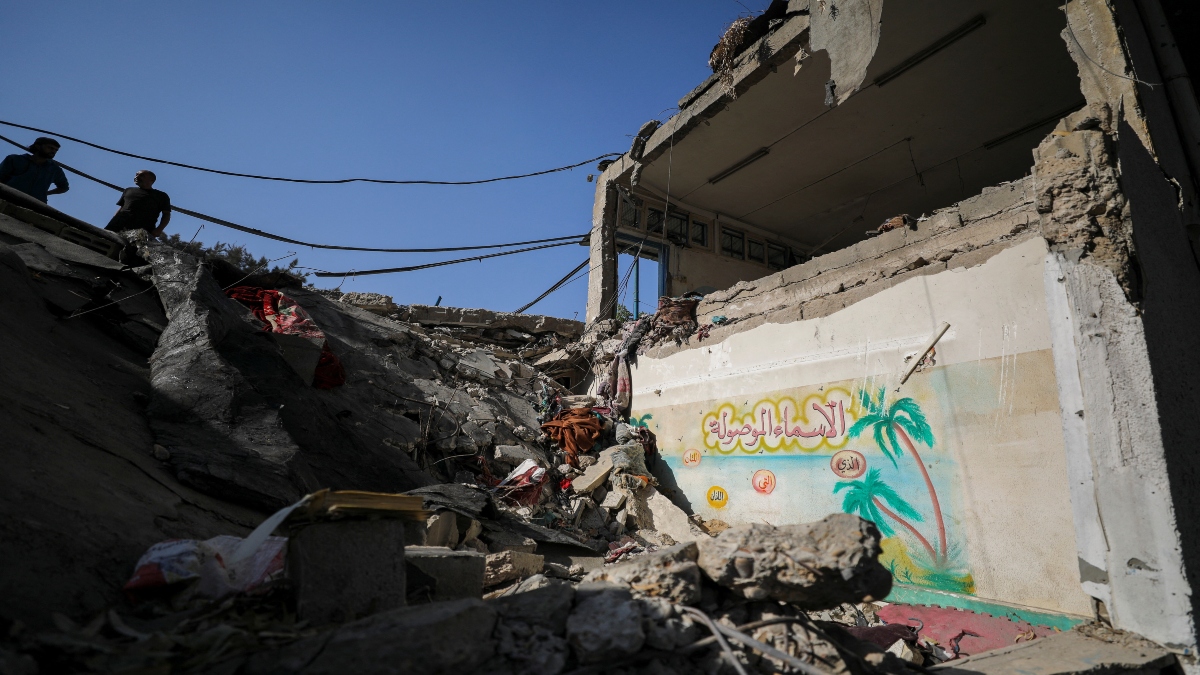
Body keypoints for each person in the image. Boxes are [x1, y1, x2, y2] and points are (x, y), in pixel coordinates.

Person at [0, 137, 70, 202]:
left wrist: (45, 193)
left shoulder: (54, 170)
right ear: (38, 146)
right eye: (50, 148)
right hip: (8, 198)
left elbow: (64, 187)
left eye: (56, 150)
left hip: (35, 204)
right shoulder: (15, 159)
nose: (53, 151)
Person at [106, 170, 171, 237]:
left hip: (141, 231)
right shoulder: (129, 190)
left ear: (151, 180)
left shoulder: (161, 196)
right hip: (117, 226)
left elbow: (166, 214)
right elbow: (122, 208)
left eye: (142, 175)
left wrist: (159, 229)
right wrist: (112, 222)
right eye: (136, 175)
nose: (136, 177)